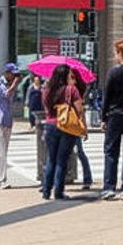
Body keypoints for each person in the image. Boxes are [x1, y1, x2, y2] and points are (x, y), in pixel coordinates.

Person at [40, 65, 85, 200]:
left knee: (51, 159)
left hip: (50, 126)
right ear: (65, 76)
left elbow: (47, 108)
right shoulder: (71, 90)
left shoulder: (46, 91)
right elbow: (80, 109)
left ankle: (46, 191)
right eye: (70, 75)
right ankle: (58, 192)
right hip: (66, 126)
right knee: (62, 160)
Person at [100, 40, 123, 200]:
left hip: (115, 115)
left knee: (111, 151)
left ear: (120, 53)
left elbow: (107, 97)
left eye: (116, 53)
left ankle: (109, 186)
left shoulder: (114, 72)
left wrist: (103, 117)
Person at [0, 64, 21, 188]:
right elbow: (6, 94)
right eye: (14, 74)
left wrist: (14, 85)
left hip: (6, 120)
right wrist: (16, 83)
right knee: (0, 152)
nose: (15, 77)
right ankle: (1, 180)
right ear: (7, 73)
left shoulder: (10, 84)